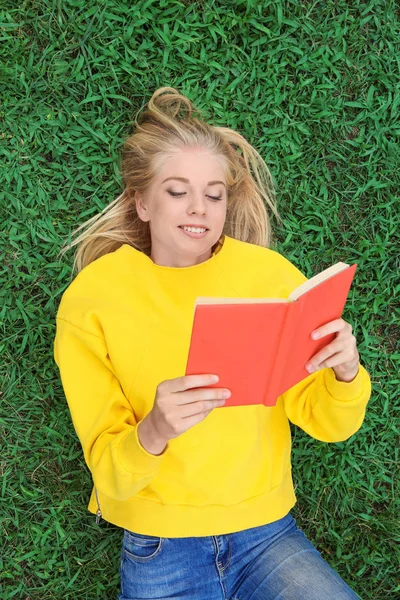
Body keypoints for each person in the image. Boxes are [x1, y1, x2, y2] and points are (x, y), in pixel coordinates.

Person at [53, 87, 372, 600]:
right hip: (160, 545)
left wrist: (346, 374)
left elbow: (329, 423)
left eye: (214, 194)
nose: (198, 208)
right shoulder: (93, 299)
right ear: (142, 201)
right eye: (177, 191)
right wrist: (155, 428)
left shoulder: (268, 277)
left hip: (267, 533)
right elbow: (109, 472)